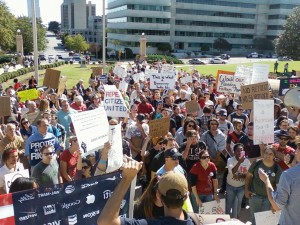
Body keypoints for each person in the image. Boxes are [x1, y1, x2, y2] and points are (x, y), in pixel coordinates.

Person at [98, 166, 194, 225]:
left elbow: (105, 221)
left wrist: (126, 179)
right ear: (186, 197)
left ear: (158, 195)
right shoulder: (197, 221)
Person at [258, 136, 300, 225]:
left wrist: (266, 181)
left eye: (297, 150)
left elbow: (277, 206)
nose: (295, 152)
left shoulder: (288, 175)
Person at [245, 147, 282, 225]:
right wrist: (246, 190)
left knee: (265, 220)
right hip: (254, 196)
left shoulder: (277, 168)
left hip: (268, 199)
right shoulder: (257, 163)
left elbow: (278, 187)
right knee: (254, 218)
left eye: (270, 154)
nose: (267, 155)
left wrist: (274, 203)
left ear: (274, 156)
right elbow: (248, 176)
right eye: (266, 153)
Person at [226, 143, 251, 219]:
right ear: (234, 152)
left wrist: (241, 176)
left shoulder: (247, 161)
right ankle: (227, 217)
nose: (240, 152)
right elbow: (233, 172)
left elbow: (248, 174)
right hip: (231, 186)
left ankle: (236, 217)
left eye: (242, 150)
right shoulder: (230, 160)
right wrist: (239, 162)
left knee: (239, 202)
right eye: (238, 151)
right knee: (229, 203)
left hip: (241, 187)